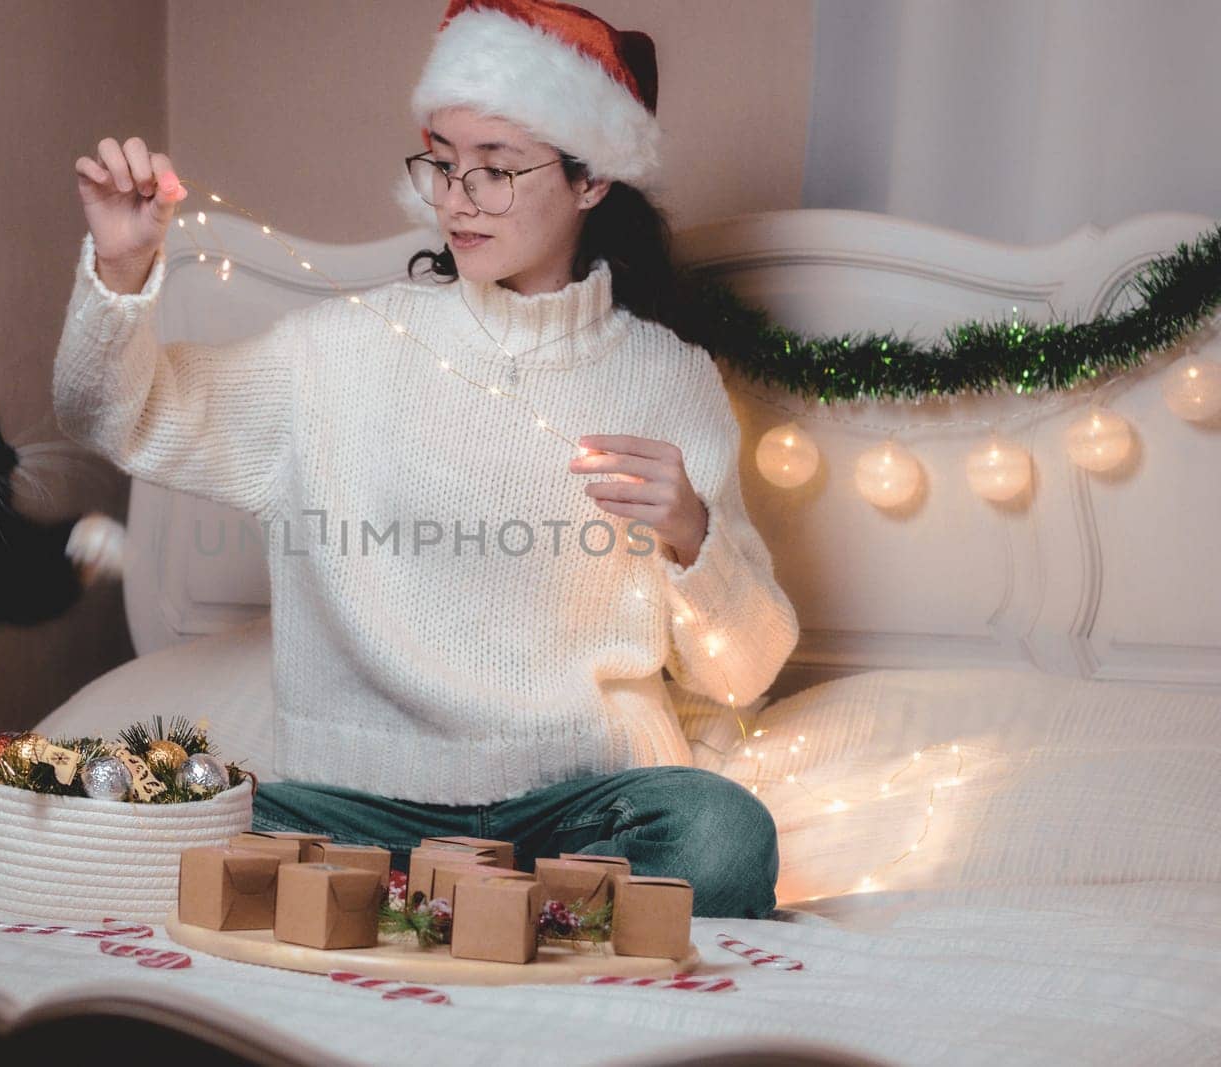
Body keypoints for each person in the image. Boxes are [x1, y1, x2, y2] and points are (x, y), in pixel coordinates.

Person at [52, 0, 800, 919]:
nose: (454, 200)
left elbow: (744, 672)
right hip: (358, 806)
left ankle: (451, 910)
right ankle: (498, 914)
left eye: (495, 171)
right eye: (442, 163)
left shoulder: (670, 380)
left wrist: (696, 536)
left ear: (592, 178)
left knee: (725, 836)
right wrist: (121, 268)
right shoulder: (338, 352)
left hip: (578, 807)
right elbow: (111, 415)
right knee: (148, 817)